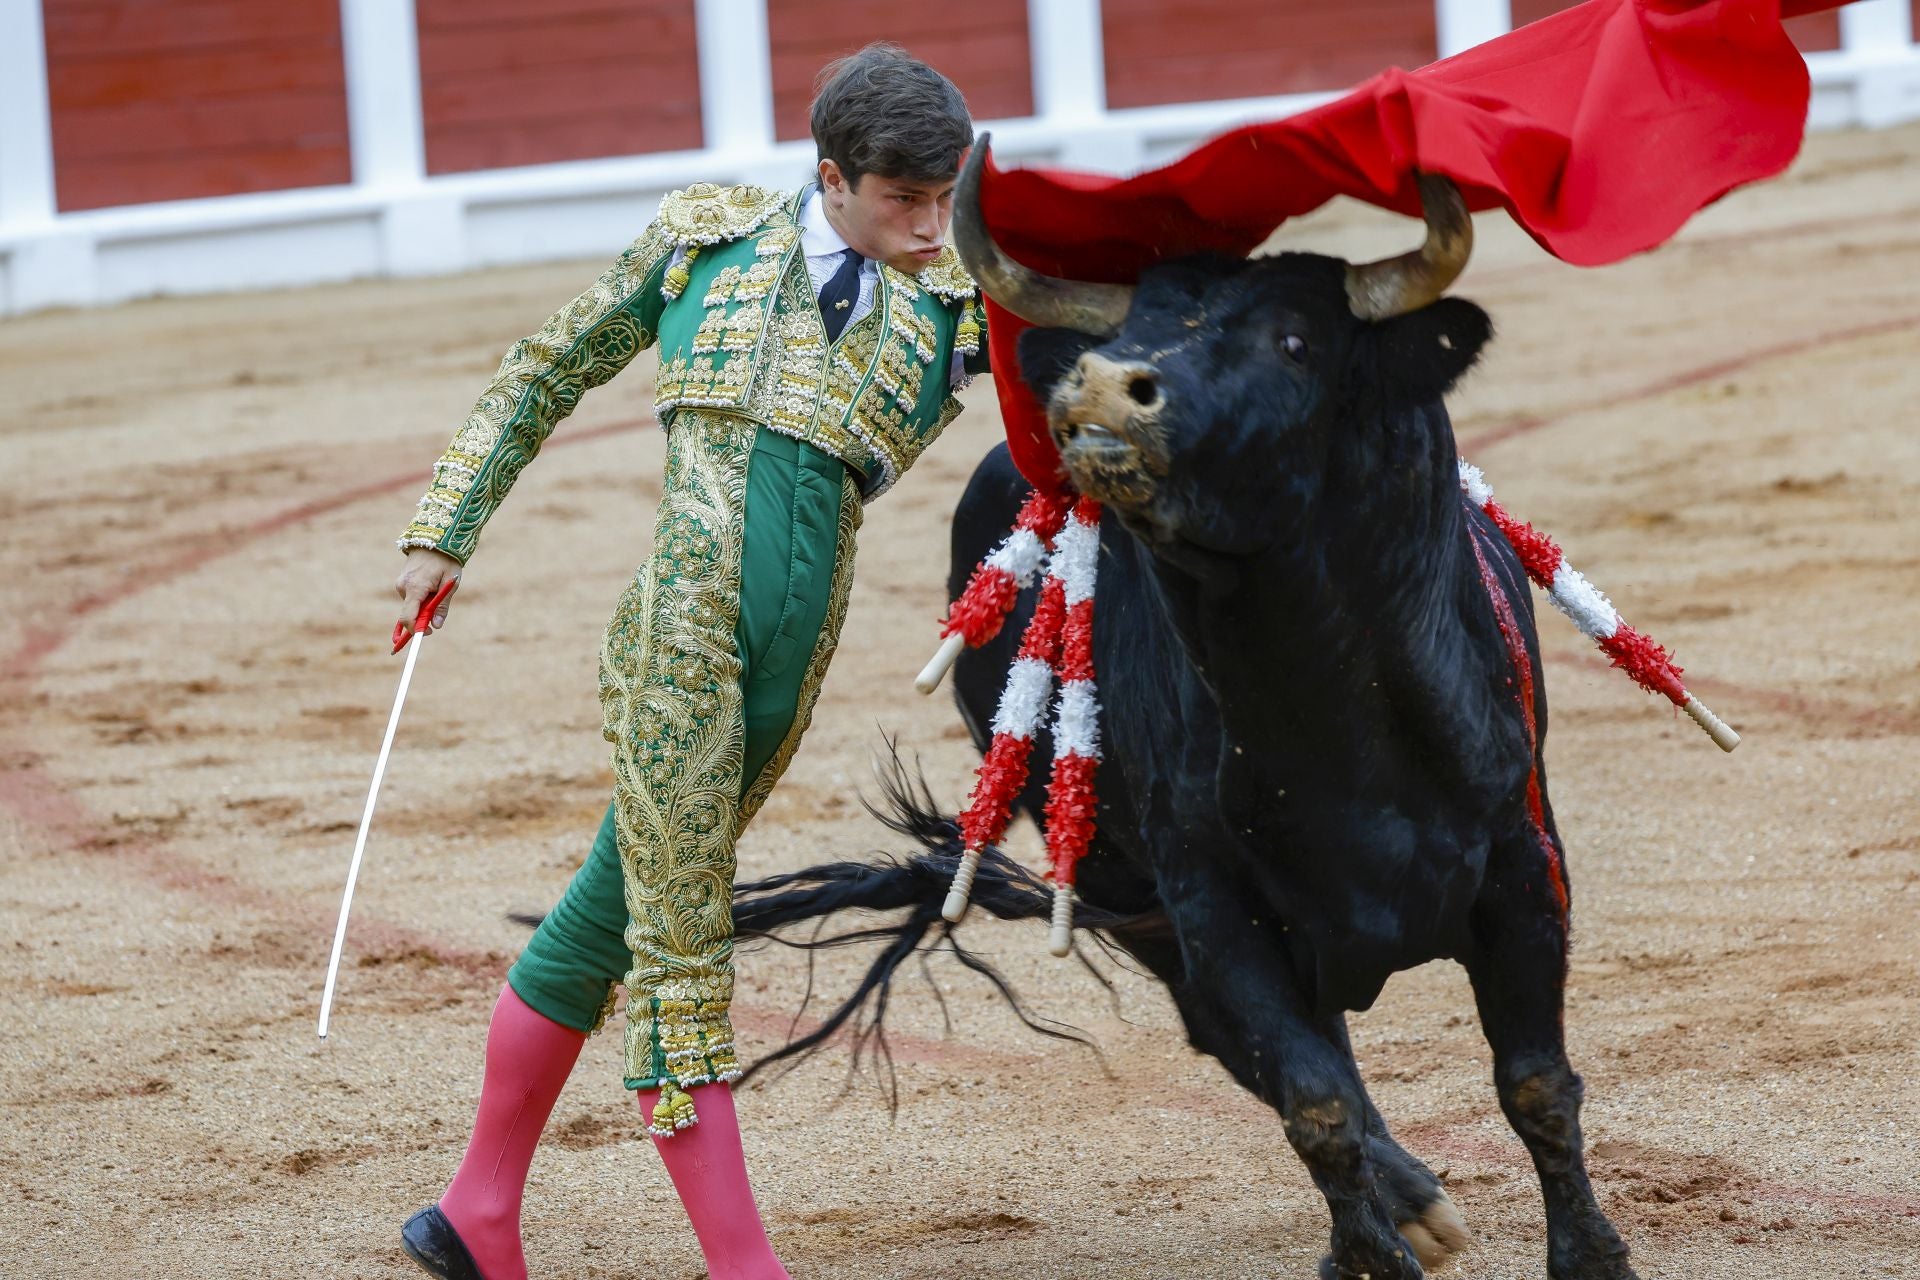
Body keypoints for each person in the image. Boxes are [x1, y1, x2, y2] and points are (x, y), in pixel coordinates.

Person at [389, 44, 988, 1280]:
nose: (933, 227)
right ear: (831, 176)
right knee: (677, 947)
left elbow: (1086, 384)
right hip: (679, 643)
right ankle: (745, 1266)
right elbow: (548, 365)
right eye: (904, 202)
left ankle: (475, 1210)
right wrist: (443, 527)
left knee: (607, 912)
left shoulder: (959, 306)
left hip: (787, 676)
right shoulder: (702, 243)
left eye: (947, 198)